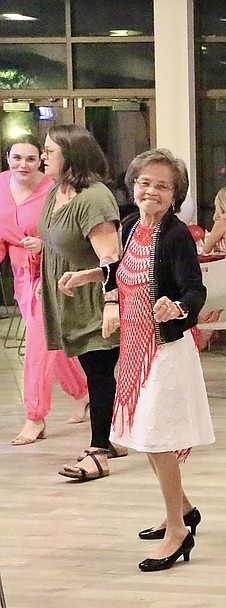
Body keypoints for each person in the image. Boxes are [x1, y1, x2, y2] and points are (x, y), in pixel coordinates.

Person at [59, 148, 213, 571]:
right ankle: (182, 510)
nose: (152, 191)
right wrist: (88, 275)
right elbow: (123, 271)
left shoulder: (175, 235)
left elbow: (194, 290)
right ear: (133, 186)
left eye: (163, 186)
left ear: (175, 194)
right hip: (135, 347)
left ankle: (178, 531)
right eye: (145, 183)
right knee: (146, 434)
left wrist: (177, 308)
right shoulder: (130, 227)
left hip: (165, 350)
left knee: (158, 439)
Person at [32, 125, 123, 481]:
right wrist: (42, 280)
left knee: (99, 372)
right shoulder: (55, 191)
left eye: (49, 151)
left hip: (93, 299)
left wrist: (112, 304)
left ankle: (99, 451)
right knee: (92, 369)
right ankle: (108, 437)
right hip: (65, 296)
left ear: (72, 155)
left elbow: (110, 258)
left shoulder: (94, 198)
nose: (43, 157)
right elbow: (52, 242)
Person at [1, 138, 89, 445]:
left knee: (37, 346)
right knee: (53, 341)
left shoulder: (54, 189)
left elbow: (68, 234)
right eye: (17, 158)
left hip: (51, 272)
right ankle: (83, 392)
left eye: (31, 158)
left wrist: (44, 245)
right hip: (21, 274)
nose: (23, 164)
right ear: (7, 158)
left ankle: (34, 416)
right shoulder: (1, 186)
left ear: (40, 160)